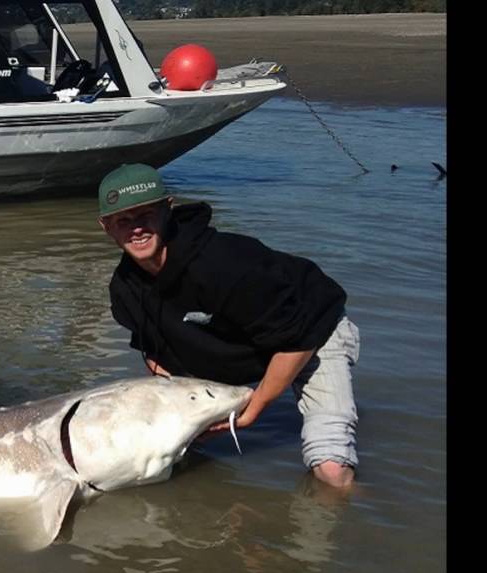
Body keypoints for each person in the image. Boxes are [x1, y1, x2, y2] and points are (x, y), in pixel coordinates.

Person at [98, 163, 360, 487]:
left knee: (330, 469)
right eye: (123, 220)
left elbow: (299, 339)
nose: (136, 229)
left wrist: (255, 406)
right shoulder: (124, 288)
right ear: (107, 226)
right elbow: (153, 353)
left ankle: (350, 509)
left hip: (313, 333)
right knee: (173, 447)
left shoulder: (226, 263)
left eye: (145, 215)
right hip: (239, 341)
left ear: (168, 209)